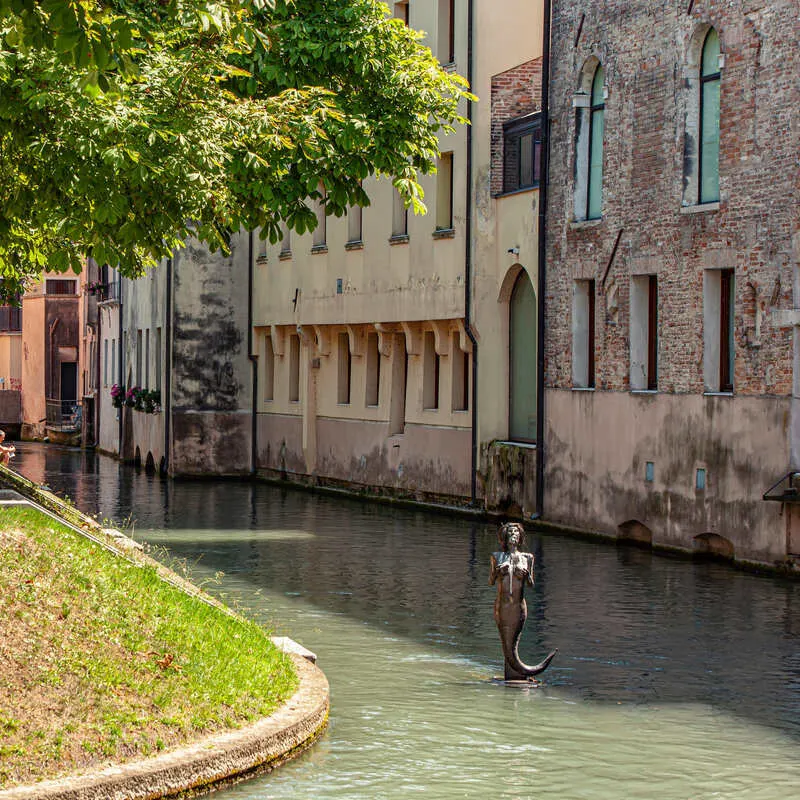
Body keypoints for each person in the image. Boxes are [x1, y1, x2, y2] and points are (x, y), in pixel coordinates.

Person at [489, 522, 557, 681]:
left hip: (518, 607)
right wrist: (499, 572)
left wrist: (526, 575)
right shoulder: (496, 556)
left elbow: (531, 584)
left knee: (513, 642)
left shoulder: (527, 558)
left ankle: (517, 674)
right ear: (505, 537)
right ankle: (512, 675)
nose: (514, 535)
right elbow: (491, 581)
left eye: (516, 533)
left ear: (520, 538)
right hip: (502, 606)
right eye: (511, 532)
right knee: (505, 643)